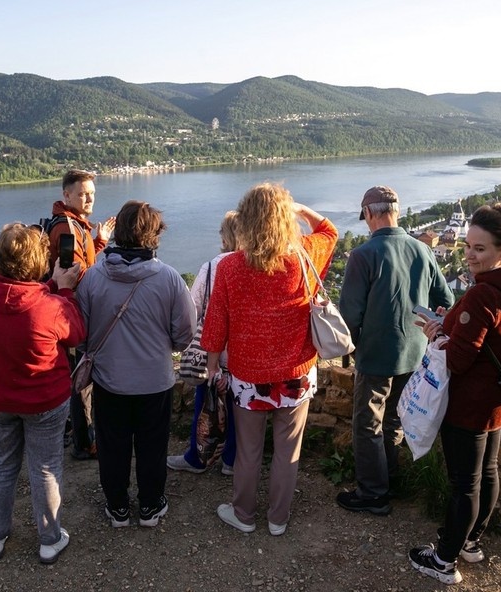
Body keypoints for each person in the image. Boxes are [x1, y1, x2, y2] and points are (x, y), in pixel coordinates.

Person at [408, 202, 501, 585]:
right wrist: (451, 321)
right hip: (499, 399)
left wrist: (437, 333)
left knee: (464, 484)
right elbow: (488, 337)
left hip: (469, 404)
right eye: (467, 245)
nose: (469, 254)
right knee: (487, 472)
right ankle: (471, 542)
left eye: (479, 249)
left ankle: (444, 560)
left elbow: (459, 360)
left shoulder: (484, 294)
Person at [201, 183, 337, 536]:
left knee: (248, 451)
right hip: (296, 373)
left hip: (249, 376)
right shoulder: (305, 254)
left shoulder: (230, 267)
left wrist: (213, 364)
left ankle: (244, 514)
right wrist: (301, 208)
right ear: (284, 220)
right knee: (287, 450)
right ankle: (278, 519)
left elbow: (216, 321)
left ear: (245, 221)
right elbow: (330, 231)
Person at [76, 201, 196, 528]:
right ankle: (150, 505)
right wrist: (162, 347)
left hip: (109, 379)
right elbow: (185, 333)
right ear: (154, 235)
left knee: (112, 446)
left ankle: (117, 507)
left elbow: (81, 335)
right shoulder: (169, 279)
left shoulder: (92, 278)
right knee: (152, 446)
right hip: (154, 380)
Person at [337, 185, 454, 515]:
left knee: (367, 424)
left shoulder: (364, 255)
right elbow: (447, 303)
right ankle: (391, 480)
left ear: (370, 214)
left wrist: (349, 348)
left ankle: (373, 492)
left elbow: (349, 315)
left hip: (375, 354)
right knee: (394, 421)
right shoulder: (422, 250)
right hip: (415, 353)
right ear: (397, 212)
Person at [0, 222, 84, 564]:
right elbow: (75, 333)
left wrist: (52, 285)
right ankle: (49, 539)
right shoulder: (50, 306)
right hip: (43, 402)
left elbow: (23, 299)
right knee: (45, 468)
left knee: (1, 463)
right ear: (39, 261)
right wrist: (64, 291)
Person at [47, 168, 116, 461]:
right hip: (71, 310)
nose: (89, 199)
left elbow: (79, 264)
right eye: (83, 194)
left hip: (73, 307)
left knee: (79, 374)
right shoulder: (66, 228)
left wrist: (98, 243)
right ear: (67, 195)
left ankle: (81, 435)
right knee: (80, 377)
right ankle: (85, 442)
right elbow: (72, 275)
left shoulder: (76, 225)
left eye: (92, 194)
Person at [166, 211, 239, 476]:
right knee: (239, 411)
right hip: (242, 355)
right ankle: (231, 461)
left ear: (226, 235)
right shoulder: (254, 265)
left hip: (212, 352)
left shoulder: (212, 267)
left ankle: (197, 458)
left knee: (205, 406)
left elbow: (192, 308)